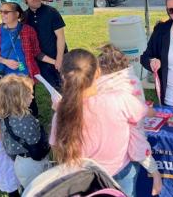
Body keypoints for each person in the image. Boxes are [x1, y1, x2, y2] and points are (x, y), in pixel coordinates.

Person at [50, 49, 146, 197]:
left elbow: (56, 146)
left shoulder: (61, 114)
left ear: (63, 77)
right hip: (121, 171)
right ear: (98, 72)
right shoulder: (120, 99)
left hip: (85, 179)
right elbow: (141, 113)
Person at [97, 44, 162, 196]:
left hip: (97, 164)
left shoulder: (92, 90)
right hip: (123, 163)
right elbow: (135, 133)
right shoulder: (130, 88)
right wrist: (154, 171)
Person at [0, 2, 55, 117]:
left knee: (30, 105)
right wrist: (5, 61)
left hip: (26, 77)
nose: (2, 14)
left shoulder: (28, 30)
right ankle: (12, 130)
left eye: (6, 12)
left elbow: (37, 52)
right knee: (9, 105)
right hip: (6, 78)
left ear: (17, 14)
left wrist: (55, 62)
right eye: (1, 11)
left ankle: (33, 127)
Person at [0, 74, 49, 189]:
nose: (33, 97)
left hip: (19, 161)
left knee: (29, 186)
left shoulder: (6, 116)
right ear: (18, 99)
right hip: (31, 161)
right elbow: (35, 141)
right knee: (40, 187)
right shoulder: (26, 119)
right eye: (30, 94)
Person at [20, 0, 67, 89]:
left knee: (68, 90)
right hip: (42, 62)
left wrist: (59, 59)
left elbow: (61, 37)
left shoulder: (51, 12)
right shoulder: (25, 17)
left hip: (60, 57)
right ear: (24, 0)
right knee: (53, 91)